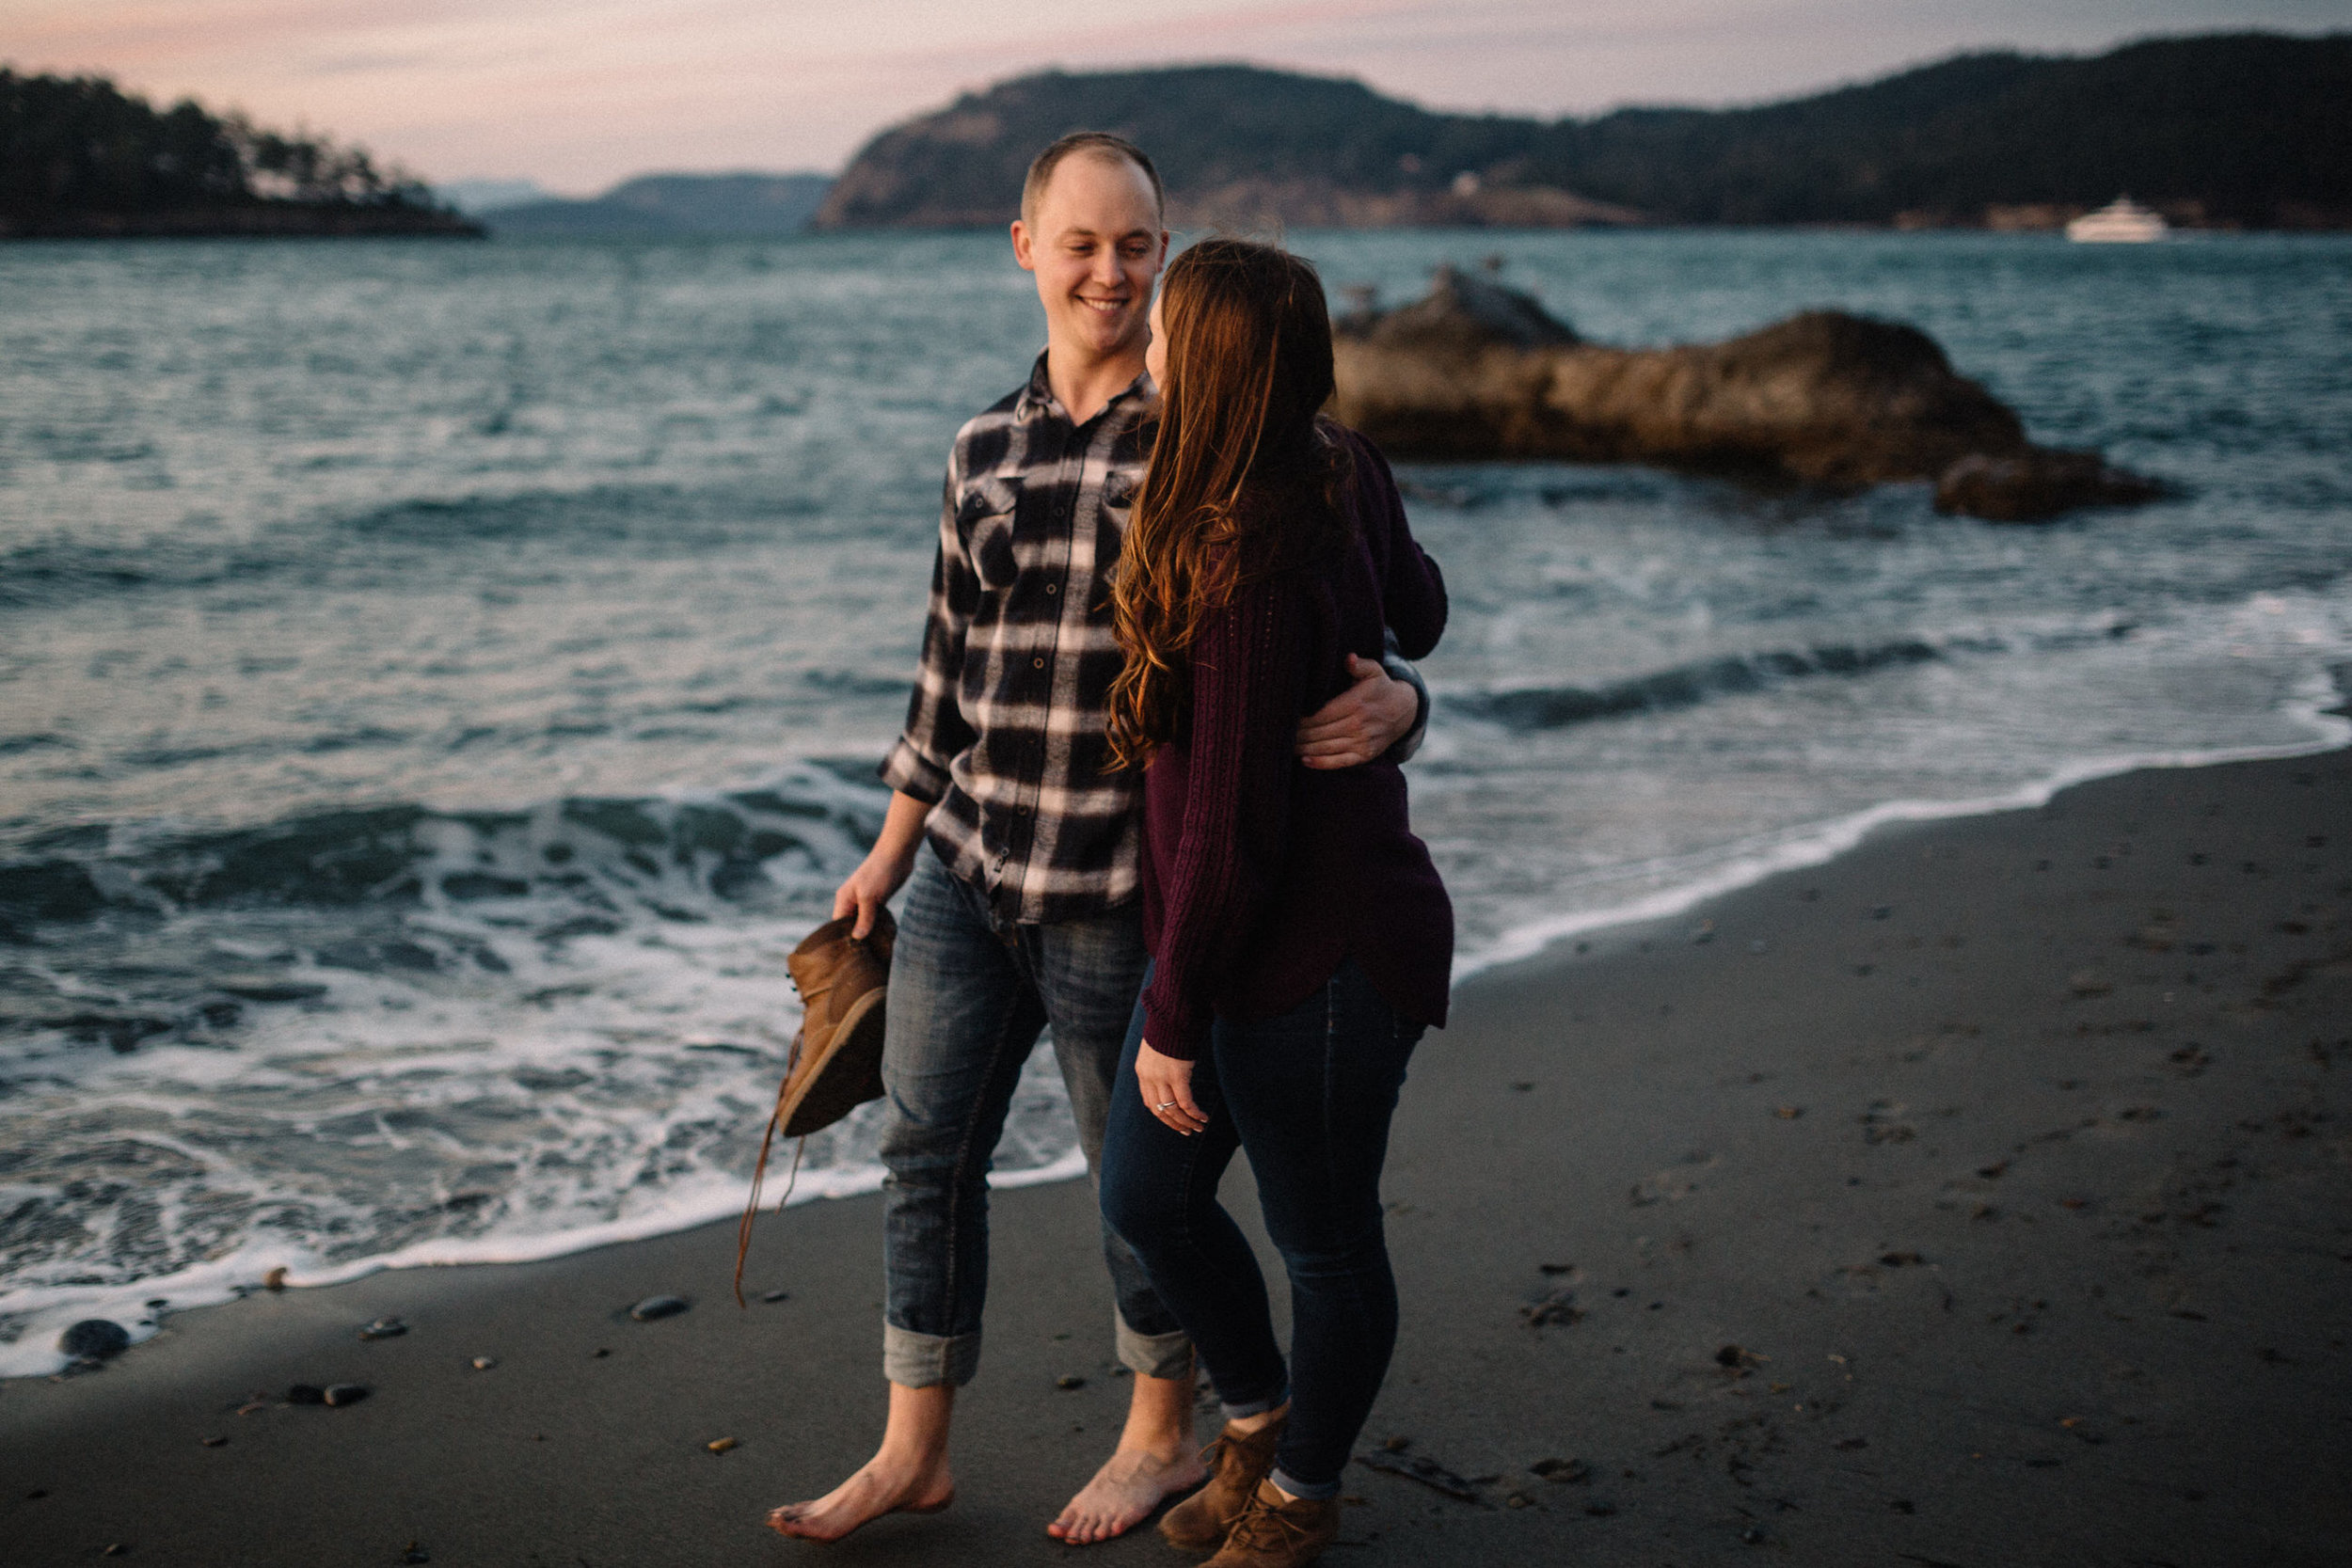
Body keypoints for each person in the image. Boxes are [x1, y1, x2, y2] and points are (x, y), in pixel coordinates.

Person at [766, 136, 1429, 1545]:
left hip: (1124, 887)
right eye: (1082, 242)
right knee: (922, 1151)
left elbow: (1367, 595)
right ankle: (913, 1446)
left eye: (1139, 245)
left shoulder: (1220, 432)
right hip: (966, 861)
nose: (1112, 271)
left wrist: (1407, 702)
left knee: (1130, 1184)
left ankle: (1165, 1433)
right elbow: (945, 668)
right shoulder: (982, 447)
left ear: (1169, 259)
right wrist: (888, 848)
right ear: (1027, 249)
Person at [1096, 238, 1453, 1568]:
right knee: (1148, 1195)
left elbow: (1233, 831)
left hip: (1325, 955)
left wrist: (1172, 1019)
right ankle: (1255, 1420)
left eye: (1173, 326)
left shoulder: (1249, 544)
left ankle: (1301, 1497)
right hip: (1238, 942)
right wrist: (1406, 680)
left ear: (1221, 361)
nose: (1153, 342)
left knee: (1326, 1249)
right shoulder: (1327, 463)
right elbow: (1421, 607)